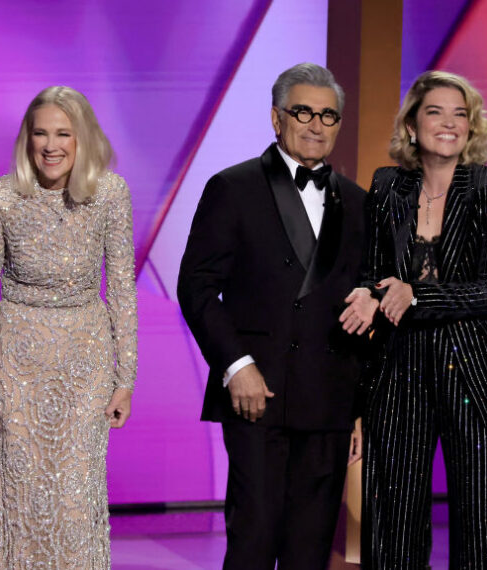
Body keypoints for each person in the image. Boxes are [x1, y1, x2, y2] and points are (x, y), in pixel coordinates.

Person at [340, 70, 487, 569]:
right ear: (411, 126)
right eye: (435, 111)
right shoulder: (387, 186)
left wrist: (415, 296)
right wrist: (366, 293)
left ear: (471, 128)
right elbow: (373, 271)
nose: (449, 123)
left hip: (477, 369)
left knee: (479, 527)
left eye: (460, 114)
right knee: (393, 524)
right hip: (400, 370)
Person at [177, 63, 366, 570]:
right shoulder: (233, 187)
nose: (315, 124)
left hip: (328, 402)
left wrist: (359, 408)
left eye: (328, 115)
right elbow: (196, 287)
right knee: (255, 538)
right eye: (302, 111)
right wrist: (236, 365)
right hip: (255, 397)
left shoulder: (358, 202)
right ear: (276, 118)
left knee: (310, 549)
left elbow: (365, 306)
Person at [0, 85, 137, 568]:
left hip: (85, 362)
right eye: (40, 133)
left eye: (63, 133)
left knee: (75, 491)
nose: (51, 145)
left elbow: (122, 290)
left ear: (83, 139)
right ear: (27, 139)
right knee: (20, 490)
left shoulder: (110, 195)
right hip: (16, 362)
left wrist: (126, 380)